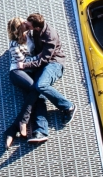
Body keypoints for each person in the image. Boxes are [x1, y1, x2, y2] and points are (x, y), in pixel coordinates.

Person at [17, 13, 76, 144]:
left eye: (28, 24)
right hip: (42, 65)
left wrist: (24, 65)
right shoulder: (35, 31)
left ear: (36, 27)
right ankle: (41, 131)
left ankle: (68, 106)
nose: (26, 24)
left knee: (40, 86)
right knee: (37, 94)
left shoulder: (50, 36)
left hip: (54, 64)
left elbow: (43, 60)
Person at [4, 17, 43, 148]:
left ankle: (15, 127)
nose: (26, 23)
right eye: (23, 24)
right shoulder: (14, 45)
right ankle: (23, 123)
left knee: (33, 97)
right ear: (19, 29)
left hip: (29, 71)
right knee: (36, 88)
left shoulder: (30, 35)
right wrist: (42, 55)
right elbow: (24, 63)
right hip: (17, 72)